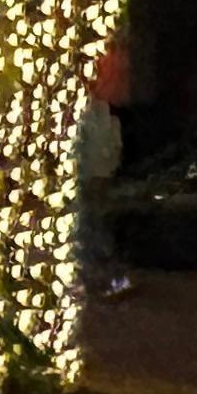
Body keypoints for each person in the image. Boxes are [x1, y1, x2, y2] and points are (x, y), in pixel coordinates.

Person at [76, 95, 130, 295]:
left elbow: (109, 149)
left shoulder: (97, 119)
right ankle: (105, 277)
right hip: (97, 175)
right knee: (94, 225)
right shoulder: (105, 120)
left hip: (94, 175)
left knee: (94, 226)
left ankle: (106, 277)